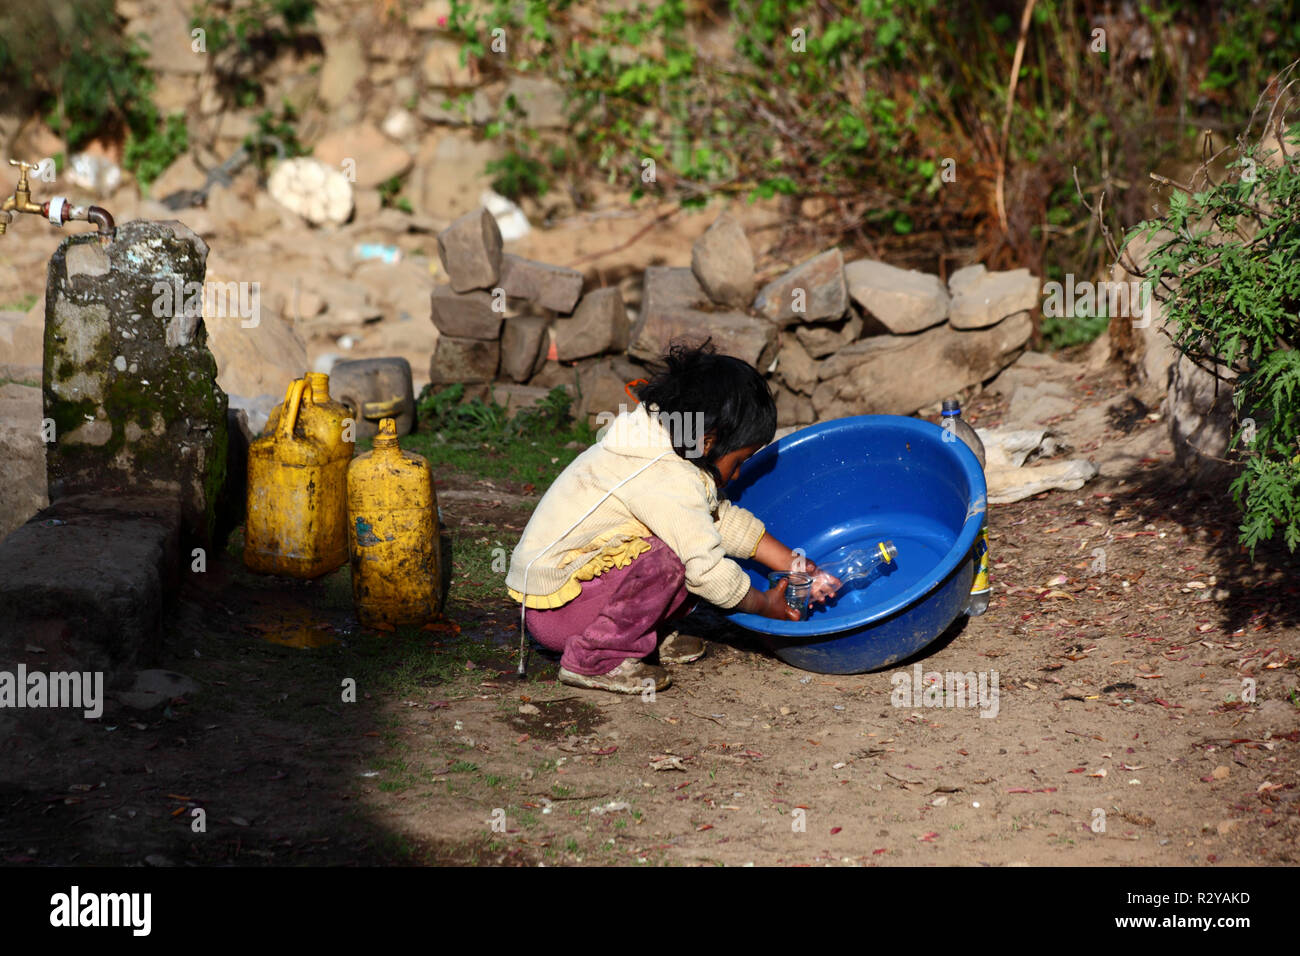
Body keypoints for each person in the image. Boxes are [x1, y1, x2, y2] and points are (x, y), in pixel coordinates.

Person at [505, 341, 838, 694]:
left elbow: (717, 518)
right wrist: (764, 604)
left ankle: (641, 634)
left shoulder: (664, 445)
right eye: (739, 462)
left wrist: (797, 565)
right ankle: (597, 656)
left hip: (577, 594)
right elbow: (706, 570)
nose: (738, 475)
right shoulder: (664, 476)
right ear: (709, 442)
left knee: (685, 542)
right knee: (676, 559)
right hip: (560, 609)